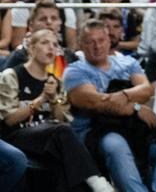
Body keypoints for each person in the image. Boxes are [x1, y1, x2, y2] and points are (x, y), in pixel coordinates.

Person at [64, 18, 156, 192]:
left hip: (132, 127)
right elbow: (95, 103)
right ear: (81, 45)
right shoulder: (75, 70)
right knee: (116, 146)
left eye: (101, 40)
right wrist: (134, 107)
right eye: (90, 42)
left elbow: (145, 91)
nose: (97, 46)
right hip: (96, 130)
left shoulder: (128, 63)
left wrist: (122, 94)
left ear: (109, 41)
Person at [0, 27, 112, 192]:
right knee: (62, 136)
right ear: (31, 48)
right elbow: (10, 119)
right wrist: (41, 99)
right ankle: (99, 183)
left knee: (67, 169)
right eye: (45, 43)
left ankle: (93, 183)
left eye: (55, 44)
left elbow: (62, 120)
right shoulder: (12, 75)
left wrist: (53, 100)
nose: (51, 48)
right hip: (16, 136)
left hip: (49, 140)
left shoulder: (55, 81)